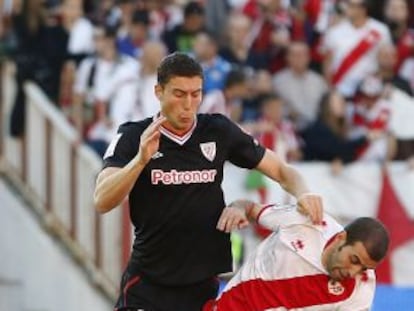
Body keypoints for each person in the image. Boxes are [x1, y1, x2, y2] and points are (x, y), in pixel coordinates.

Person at [93, 52, 323, 311]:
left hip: (202, 283)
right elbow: (102, 200)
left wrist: (304, 193)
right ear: (159, 92)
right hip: (149, 281)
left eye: (196, 94)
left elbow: (281, 170)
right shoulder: (134, 135)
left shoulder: (217, 130)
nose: (189, 104)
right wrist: (140, 160)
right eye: (179, 94)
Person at [203, 200, 389, 311]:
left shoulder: (362, 285)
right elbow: (249, 207)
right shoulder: (306, 221)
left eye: (364, 268)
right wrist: (237, 209)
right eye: (354, 260)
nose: (354, 272)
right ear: (341, 238)